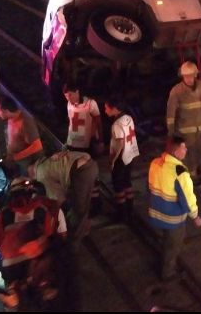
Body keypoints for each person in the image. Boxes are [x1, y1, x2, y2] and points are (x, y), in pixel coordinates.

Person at [0, 177, 67, 310]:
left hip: (11, 263)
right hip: (38, 261)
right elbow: (52, 235)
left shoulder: (4, 214)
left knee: (15, 296)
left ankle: (13, 301)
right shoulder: (43, 209)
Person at [148, 135, 201, 280]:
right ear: (176, 151)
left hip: (156, 214)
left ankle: (162, 261)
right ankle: (168, 273)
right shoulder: (180, 172)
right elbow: (188, 199)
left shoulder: (155, 163)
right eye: (183, 147)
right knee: (173, 246)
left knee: (165, 240)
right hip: (173, 219)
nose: (186, 150)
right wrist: (195, 217)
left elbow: (149, 187)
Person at [31, 148, 98, 243]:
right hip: (90, 164)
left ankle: (73, 245)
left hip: (81, 170)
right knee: (82, 206)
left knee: (78, 210)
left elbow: (58, 199)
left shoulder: (40, 174)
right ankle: (83, 230)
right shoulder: (46, 162)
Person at [166, 61, 201, 183]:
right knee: (186, 153)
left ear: (195, 75)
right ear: (182, 76)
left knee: (199, 149)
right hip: (185, 130)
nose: (188, 78)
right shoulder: (176, 91)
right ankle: (188, 176)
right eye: (186, 76)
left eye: (191, 75)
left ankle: (192, 171)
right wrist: (171, 130)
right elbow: (171, 112)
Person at [62, 81, 102, 214]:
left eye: (71, 95)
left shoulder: (90, 104)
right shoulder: (69, 104)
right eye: (66, 97)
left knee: (91, 175)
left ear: (78, 92)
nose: (69, 99)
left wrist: (99, 140)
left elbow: (98, 122)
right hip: (72, 144)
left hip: (86, 145)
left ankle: (96, 203)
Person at [105, 96, 140, 222]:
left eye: (107, 108)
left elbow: (119, 143)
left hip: (121, 158)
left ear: (114, 109)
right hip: (131, 155)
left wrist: (112, 159)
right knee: (127, 182)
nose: (105, 111)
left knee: (118, 185)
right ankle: (130, 208)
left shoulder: (116, 124)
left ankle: (121, 213)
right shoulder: (128, 118)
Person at [0, 96, 44, 177]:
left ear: (6, 110)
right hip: (17, 163)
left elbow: (37, 145)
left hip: (26, 165)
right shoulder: (10, 119)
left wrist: (16, 157)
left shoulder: (25, 121)